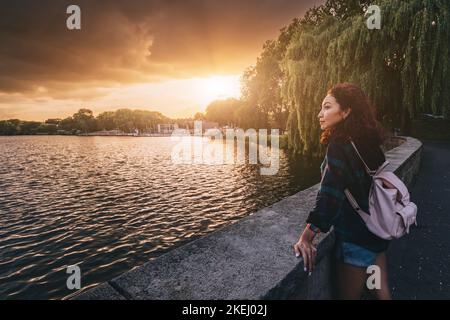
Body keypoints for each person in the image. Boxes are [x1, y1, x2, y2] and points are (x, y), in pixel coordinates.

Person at [293, 83, 392, 300]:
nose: (320, 114)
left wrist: (307, 236)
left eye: (327, 107)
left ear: (346, 111)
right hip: (377, 231)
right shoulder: (369, 141)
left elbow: (330, 197)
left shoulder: (339, 145)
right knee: (380, 290)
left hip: (355, 238)